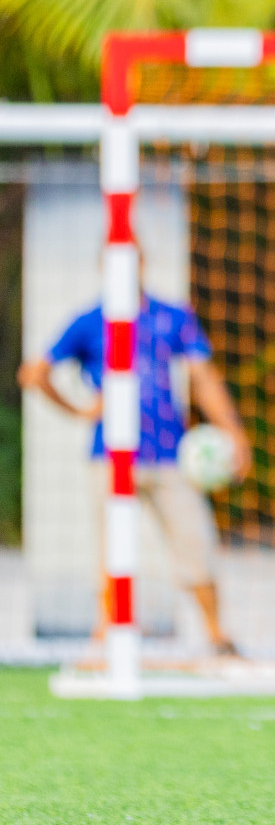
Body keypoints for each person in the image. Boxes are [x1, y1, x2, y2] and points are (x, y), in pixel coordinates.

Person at [16, 253, 251, 654]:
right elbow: (34, 373)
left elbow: (203, 377)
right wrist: (79, 411)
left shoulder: (172, 316)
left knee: (194, 541)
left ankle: (217, 636)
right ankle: (104, 637)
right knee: (112, 549)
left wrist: (234, 434)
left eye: (133, 259)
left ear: (143, 262)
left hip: (169, 454)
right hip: (111, 457)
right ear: (102, 267)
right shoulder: (90, 321)